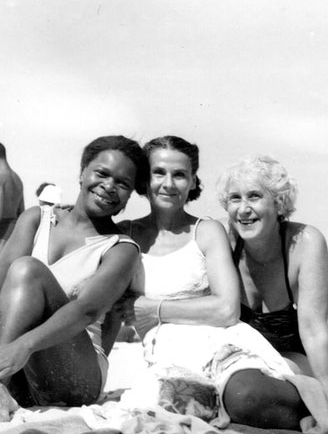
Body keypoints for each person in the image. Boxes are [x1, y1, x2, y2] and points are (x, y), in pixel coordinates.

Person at [0, 135, 148, 428]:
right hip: (17, 366)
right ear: (82, 172)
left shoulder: (120, 249)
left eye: (123, 183)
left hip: (74, 372)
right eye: (101, 173)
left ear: (129, 195)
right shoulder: (37, 219)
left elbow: (86, 310)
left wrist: (22, 347)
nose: (109, 186)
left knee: (28, 270)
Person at [117, 136, 308, 429]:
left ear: (193, 181)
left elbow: (226, 309)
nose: (168, 183)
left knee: (247, 397)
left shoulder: (206, 231)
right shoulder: (124, 235)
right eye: (159, 172)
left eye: (180, 174)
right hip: (168, 358)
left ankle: (320, 406)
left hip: (221, 347)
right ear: (144, 178)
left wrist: (153, 309)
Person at [216, 156, 328, 391]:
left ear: (279, 203)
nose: (243, 209)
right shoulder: (223, 239)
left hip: (289, 360)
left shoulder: (305, 243)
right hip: (236, 361)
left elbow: (314, 331)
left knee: (258, 385)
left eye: (254, 196)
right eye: (235, 198)